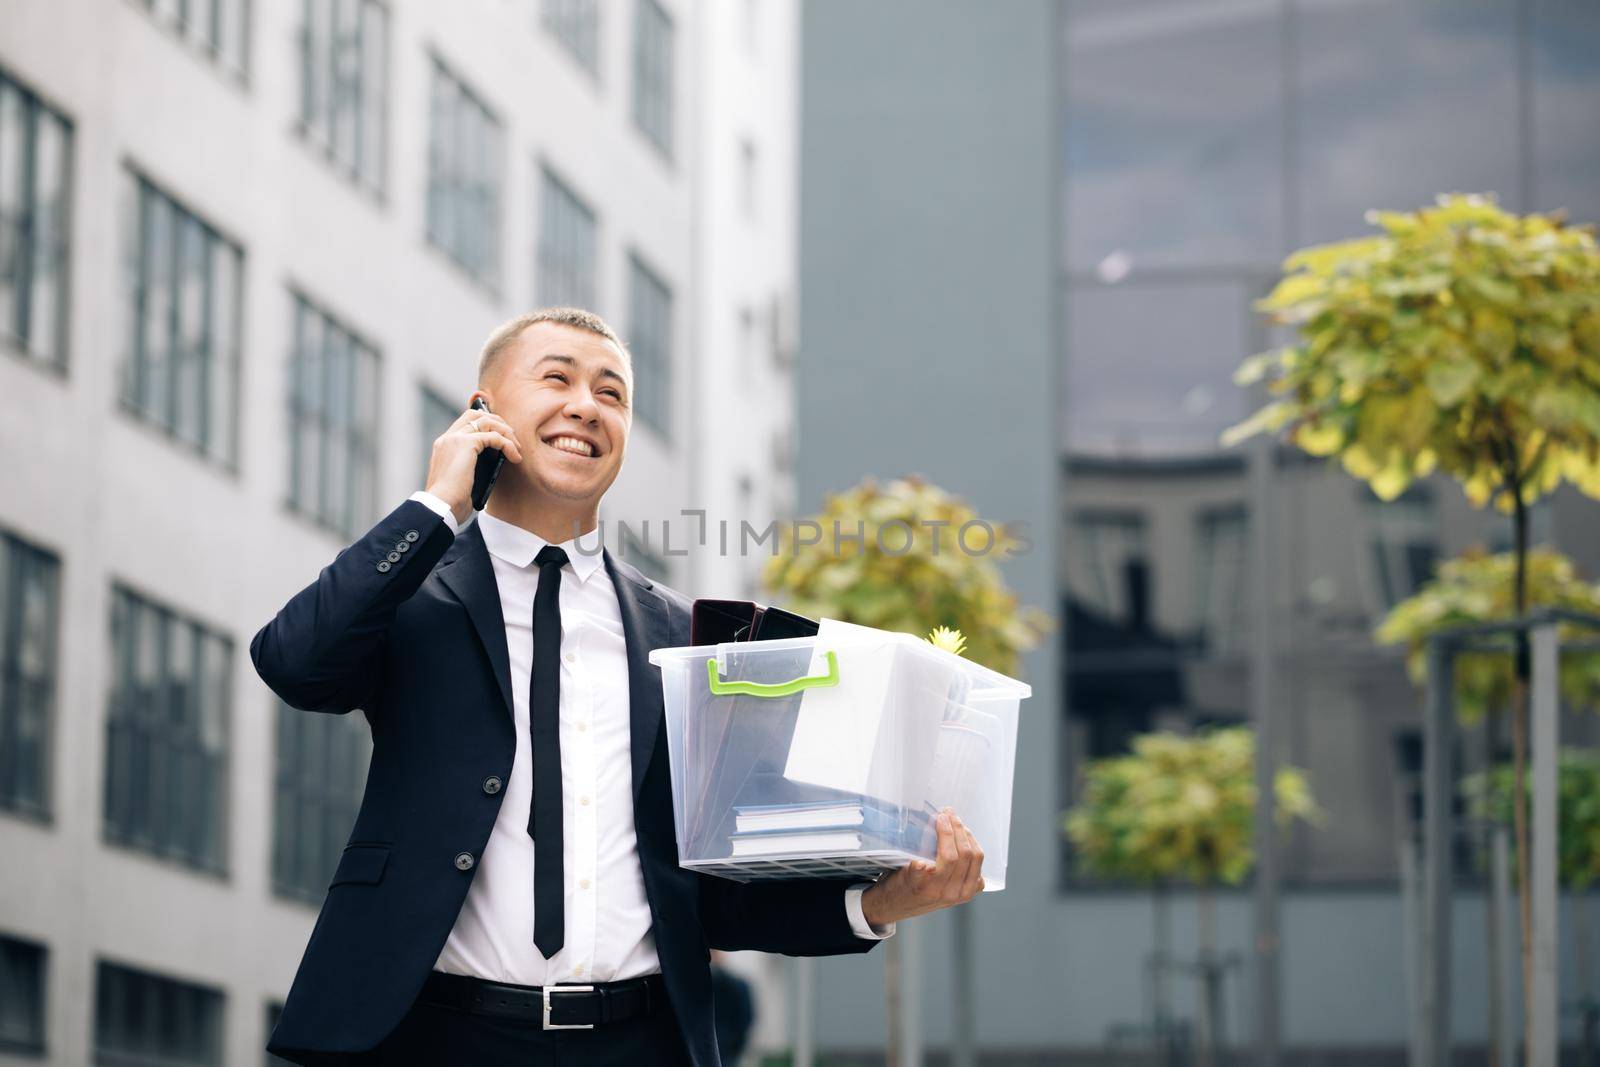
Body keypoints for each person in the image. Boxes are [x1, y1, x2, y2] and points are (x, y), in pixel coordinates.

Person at [252, 307, 987, 1065]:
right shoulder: (411, 594)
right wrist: (440, 503)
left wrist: (878, 902)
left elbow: (715, 891)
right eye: (557, 378)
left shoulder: (682, 635)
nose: (585, 406)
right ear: (482, 410)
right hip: (434, 1034)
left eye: (612, 393)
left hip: (639, 1039)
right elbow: (295, 663)